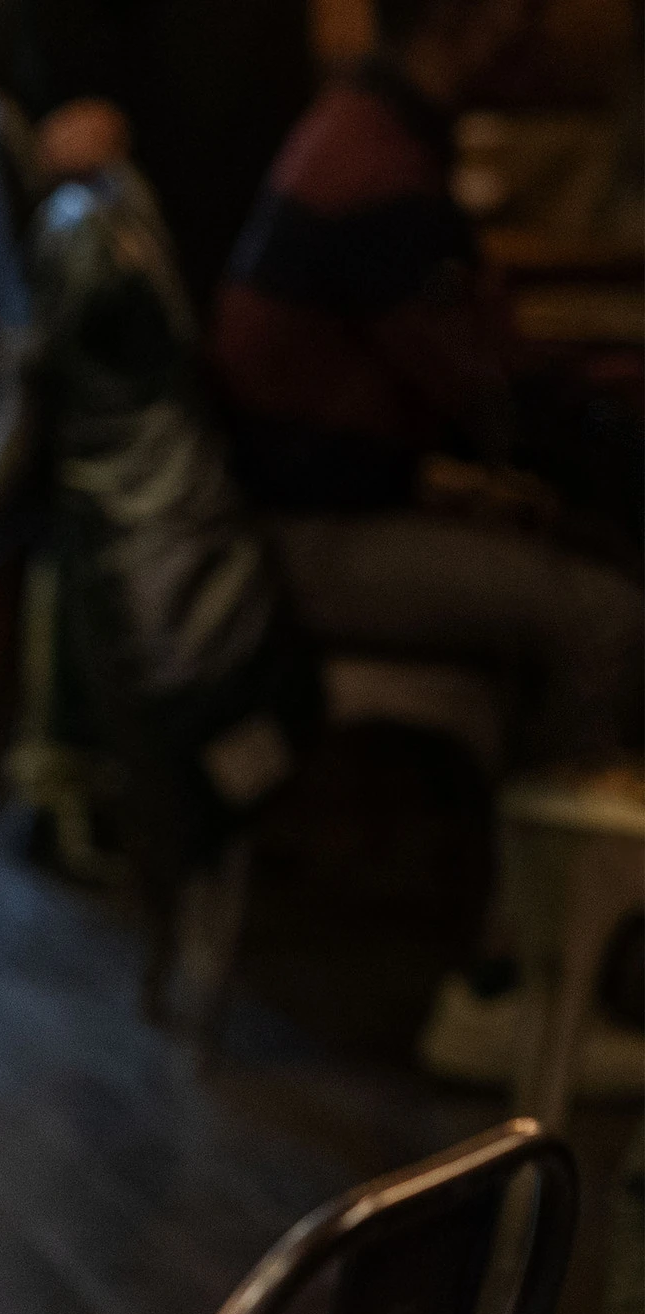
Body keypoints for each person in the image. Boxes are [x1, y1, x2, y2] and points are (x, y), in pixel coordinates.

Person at [211, 0, 645, 1091]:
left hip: (304, 514)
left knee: (574, 568)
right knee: (604, 612)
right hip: (309, 541)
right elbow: (495, 404)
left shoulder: (364, 123)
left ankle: (536, 948)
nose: (538, 28)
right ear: (468, 21)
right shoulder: (381, 172)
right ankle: (522, 984)